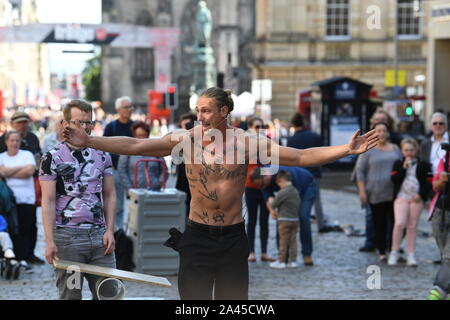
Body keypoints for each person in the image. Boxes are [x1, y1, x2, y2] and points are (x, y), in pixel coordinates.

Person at [63, 86, 379, 300]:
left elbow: (300, 156)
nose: (200, 118)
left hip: (231, 238)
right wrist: (88, 140)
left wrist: (346, 150)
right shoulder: (186, 139)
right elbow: (134, 145)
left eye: (207, 111)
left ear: (224, 111)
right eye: (198, 111)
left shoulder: (246, 143)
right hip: (197, 236)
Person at [39, 99, 116, 300]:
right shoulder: (52, 157)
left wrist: (110, 230)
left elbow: (109, 194)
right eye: (78, 122)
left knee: (108, 294)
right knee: (71, 295)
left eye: (88, 122)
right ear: (65, 124)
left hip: (100, 238)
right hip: (67, 240)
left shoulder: (102, 154)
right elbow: (47, 201)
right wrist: (49, 241)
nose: (84, 128)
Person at [251, 166, 316, 266]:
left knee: (303, 217)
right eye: (259, 186)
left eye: (262, 184)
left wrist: (284, 210)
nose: (262, 187)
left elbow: (294, 197)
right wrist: (272, 211)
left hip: (306, 186)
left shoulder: (283, 173)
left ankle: (307, 255)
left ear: (266, 176)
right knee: (282, 218)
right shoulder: (263, 182)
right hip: (290, 192)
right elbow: (268, 197)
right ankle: (283, 256)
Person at [355, 122, 402, 262]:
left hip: (394, 192)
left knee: (396, 222)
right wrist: (362, 191)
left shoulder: (395, 148)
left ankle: (393, 248)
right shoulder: (368, 149)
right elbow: (360, 171)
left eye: (384, 130)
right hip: (375, 192)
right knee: (379, 222)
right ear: (374, 133)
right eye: (378, 131)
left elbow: (401, 167)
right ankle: (381, 249)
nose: (381, 133)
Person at [388, 138, 432, 266]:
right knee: (399, 223)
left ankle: (411, 254)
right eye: (406, 150)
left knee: (412, 226)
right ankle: (394, 251)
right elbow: (394, 179)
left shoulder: (424, 165)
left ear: (417, 150)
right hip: (401, 197)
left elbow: (428, 183)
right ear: (402, 151)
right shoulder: (398, 163)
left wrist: (421, 194)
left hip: (416, 199)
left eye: (411, 150)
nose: (409, 153)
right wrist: (403, 168)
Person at [287, 112, 333, 233]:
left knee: (298, 199)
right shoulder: (314, 136)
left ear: (294, 125)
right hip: (314, 173)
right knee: (317, 199)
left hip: (298, 174)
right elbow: (322, 153)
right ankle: (321, 224)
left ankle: (297, 223)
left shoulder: (291, 140)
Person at [0, 131, 37, 269]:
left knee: (24, 229)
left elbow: (29, 171)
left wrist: (8, 171)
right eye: (12, 140)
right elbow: (1, 172)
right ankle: (11, 257)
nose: (14, 143)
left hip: (26, 198)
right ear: (6, 142)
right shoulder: (1, 156)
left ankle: (22, 258)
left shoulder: (27, 155)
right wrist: (21, 168)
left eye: (17, 140)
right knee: (9, 229)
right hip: (7, 201)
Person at [419, 112, 448, 265]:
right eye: (435, 123)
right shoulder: (426, 143)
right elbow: (423, 166)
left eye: (441, 123)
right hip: (434, 186)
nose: (438, 126)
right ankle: (443, 255)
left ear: (446, 125)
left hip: (448, 186)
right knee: (437, 226)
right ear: (431, 126)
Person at [245, 116, 274, 263]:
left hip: (264, 186)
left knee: (264, 220)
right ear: (250, 127)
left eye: (261, 126)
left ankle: (264, 251)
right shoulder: (246, 144)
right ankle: (251, 251)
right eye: (257, 126)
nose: (259, 129)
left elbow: (272, 162)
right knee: (252, 220)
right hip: (250, 186)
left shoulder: (266, 143)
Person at [103, 96, 135, 230]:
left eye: (130, 106)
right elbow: (104, 147)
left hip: (133, 170)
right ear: (118, 109)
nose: (130, 109)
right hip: (115, 169)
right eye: (126, 107)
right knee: (118, 203)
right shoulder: (111, 127)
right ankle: (118, 230)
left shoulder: (135, 126)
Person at [117, 121, 167, 192]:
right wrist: (130, 189)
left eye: (144, 135)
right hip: (134, 192)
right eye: (139, 135)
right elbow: (122, 170)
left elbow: (164, 169)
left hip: (154, 191)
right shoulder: (127, 150)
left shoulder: (155, 149)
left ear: (148, 135)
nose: (142, 138)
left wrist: (159, 183)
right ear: (134, 135)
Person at [427, 150, 450, 299]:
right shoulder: (446, 158)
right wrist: (442, 180)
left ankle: (439, 289)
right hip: (442, 213)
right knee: (444, 256)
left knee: (449, 256)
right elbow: (435, 186)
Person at [265, 170, 300, 269]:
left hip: (284, 220)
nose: (279, 186)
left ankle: (281, 261)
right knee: (293, 241)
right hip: (295, 219)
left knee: (283, 241)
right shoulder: (295, 190)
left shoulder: (283, 192)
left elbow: (273, 204)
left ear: (281, 181)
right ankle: (293, 261)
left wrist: (271, 200)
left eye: (279, 184)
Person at [175, 113, 197, 223]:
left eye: (188, 125)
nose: (185, 128)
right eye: (183, 125)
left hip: (196, 182)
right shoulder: (180, 138)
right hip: (183, 181)